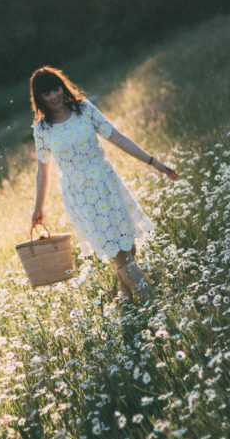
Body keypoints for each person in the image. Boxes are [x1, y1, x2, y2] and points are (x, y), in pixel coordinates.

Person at [29, 66, 177, 302]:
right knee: (121, 255)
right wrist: (39, 208)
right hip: (82, 197)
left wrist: (153, 162)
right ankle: (152, 302)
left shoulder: (84, 109)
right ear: (40, 98)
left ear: (62, 86)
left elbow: (117, 137)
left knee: (128, 247)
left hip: (107, 184)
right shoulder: (42, 130)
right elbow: (42, 171)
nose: (54, 96)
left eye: (56, 89)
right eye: (47, 94)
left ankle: (124, 299)